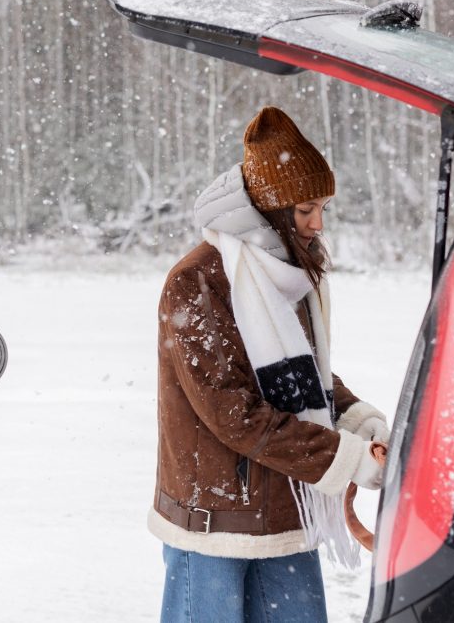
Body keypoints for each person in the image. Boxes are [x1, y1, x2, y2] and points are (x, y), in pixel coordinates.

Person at [152, 106, 391, 622]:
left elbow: (304, 373)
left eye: (324, 206)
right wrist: (346, 459)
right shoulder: (199, 281)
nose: (317, 223)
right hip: (214, 516)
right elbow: (233, 412)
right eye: (306, 208)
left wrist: (355, 418)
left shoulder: (288, 269)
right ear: (271, 206)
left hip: (286, 504)